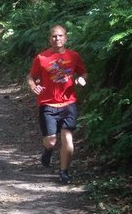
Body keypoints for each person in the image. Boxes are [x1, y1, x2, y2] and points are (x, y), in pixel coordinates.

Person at [27, 24, 88, 183]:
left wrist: (82, 79)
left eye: (60, 35)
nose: (57, 38)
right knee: (52, 140)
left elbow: (83, 72)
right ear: (50, 39)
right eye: (54, 36)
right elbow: (31, 77)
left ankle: (64, 172)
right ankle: (47, 151)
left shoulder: (74, 56)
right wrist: (34, 87)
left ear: (66, 38)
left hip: (69, 104)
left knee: (67, 138)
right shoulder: (41, 58)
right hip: (48, 104)